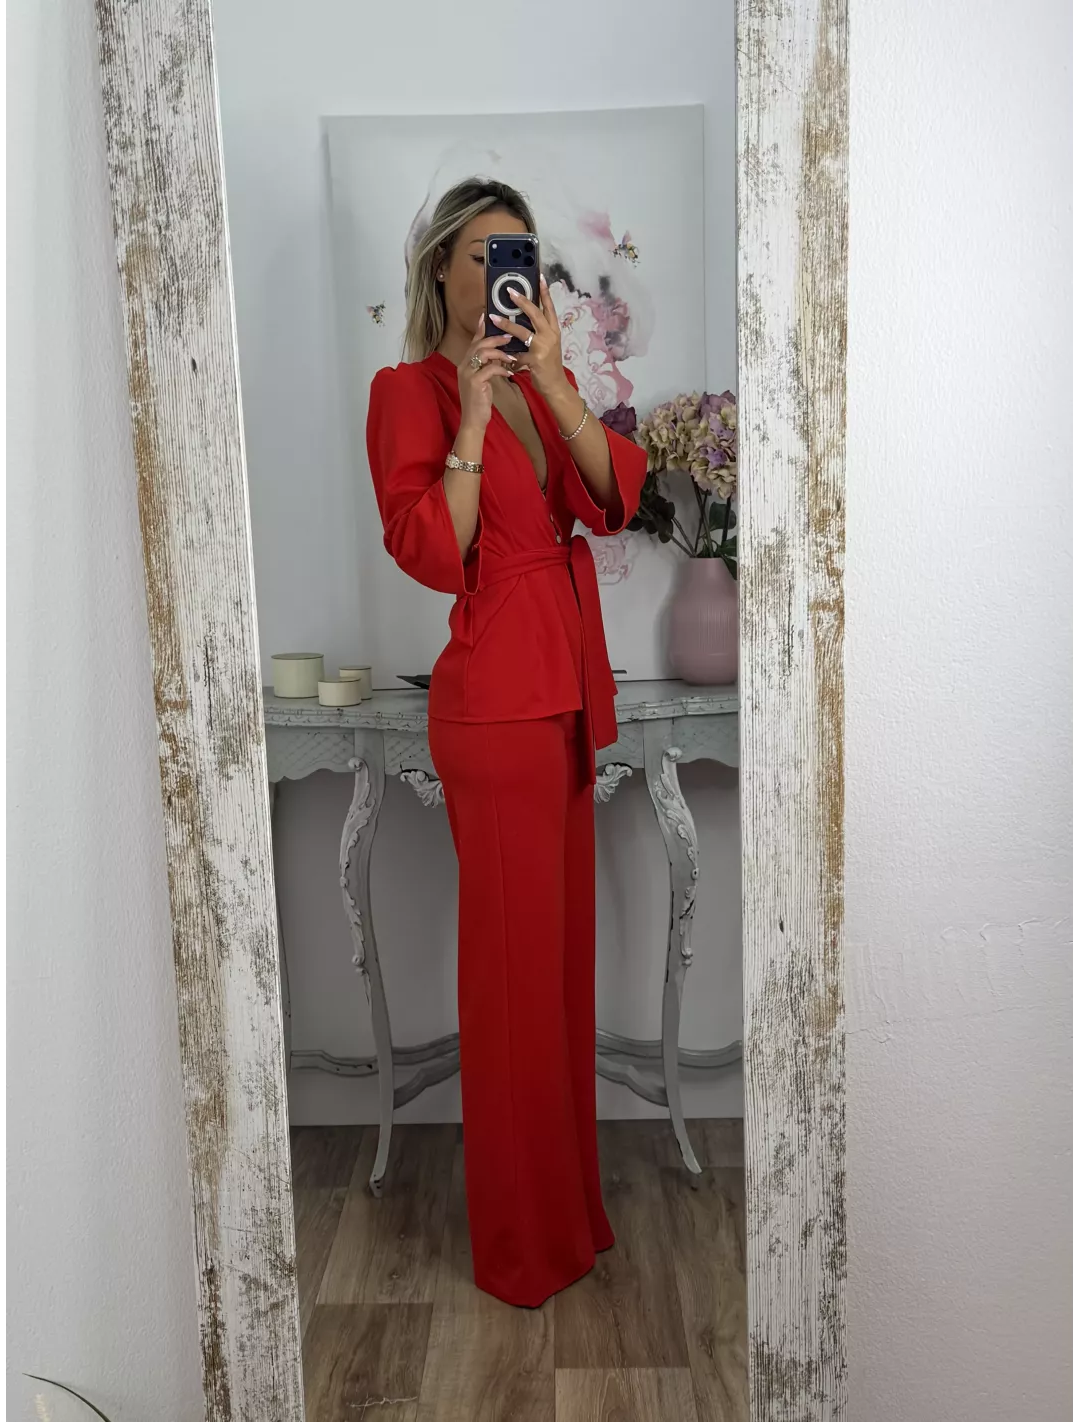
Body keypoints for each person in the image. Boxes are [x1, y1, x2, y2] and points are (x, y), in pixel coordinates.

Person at [366, 178, 647, 1308]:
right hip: (493, 708)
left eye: (514, 255)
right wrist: (475, 419)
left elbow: (614, 500)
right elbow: (434, 552)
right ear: (440, 268)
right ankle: (521, 1249)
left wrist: (547, 378)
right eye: (481, 255)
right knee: (510, 983)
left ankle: (567, 1220)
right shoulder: (408, 392)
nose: (498, 276)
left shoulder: (542, 379)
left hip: (564, 695)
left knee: (558, 978)